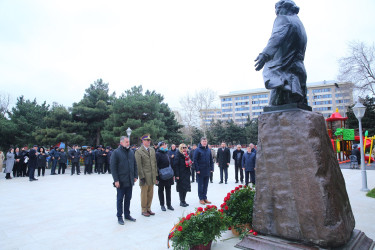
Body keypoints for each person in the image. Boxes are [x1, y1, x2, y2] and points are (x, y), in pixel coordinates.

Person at [254, 0, 307, 106]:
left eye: (277, 9)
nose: (276, 12)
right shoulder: (299, 24)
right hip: (298, 69)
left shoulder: (284, 19)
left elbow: (277, 36)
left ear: (285, 7)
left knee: (275, 106)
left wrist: (265, 54)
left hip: (284, 69)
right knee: (299, 103)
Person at [111, 136, 138, 225]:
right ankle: (119, 216)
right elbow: (113, 167)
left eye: (128, 142)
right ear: (121, 142)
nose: (128, 143)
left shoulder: (131, 152)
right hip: (121, 181)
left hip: (130, 180)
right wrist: (116, 180)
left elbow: (134, 164)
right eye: (126, 142)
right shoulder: (116, 152)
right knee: (120, 199)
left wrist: (135, 176)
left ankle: (127, 215)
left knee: (128, 198)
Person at [135, 134, 158, 217]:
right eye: (147, 140)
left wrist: (156, 175)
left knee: (150, 193)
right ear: (143, 141)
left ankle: (149, 208)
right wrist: (141, 177)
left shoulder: (152, 150)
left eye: (149, 140)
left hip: (152, 176)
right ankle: (144, 209)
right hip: (144, 176)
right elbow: (138, 165)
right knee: (144, 193)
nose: (149, 142)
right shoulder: (139, 151)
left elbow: (154, 163)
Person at [194, 137, 214, 205]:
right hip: (200, 171)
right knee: (200, 185)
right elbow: (195, 160)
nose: (205, 142)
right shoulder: (197, 150)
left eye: (205, 141)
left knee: (206, 185)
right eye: (203, 141)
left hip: (207, 170)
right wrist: (197, 169)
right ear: (201, 142)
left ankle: (205, 197)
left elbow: (211, 160)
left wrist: (212, 168)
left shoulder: (208, 150)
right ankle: (201, 198)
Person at [156, 141, 174, 212]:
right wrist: (157, 176)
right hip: (161, 175)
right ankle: (162, 205)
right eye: (163, 145)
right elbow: (156, 165)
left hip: (169, 174)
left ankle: (169, 204)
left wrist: (173, 174)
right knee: (161, 190)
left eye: (165, 144)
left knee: (168, 189)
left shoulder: (167, 153)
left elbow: (171, 164)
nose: (165, 146)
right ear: (160, 146)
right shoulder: (157, 154)